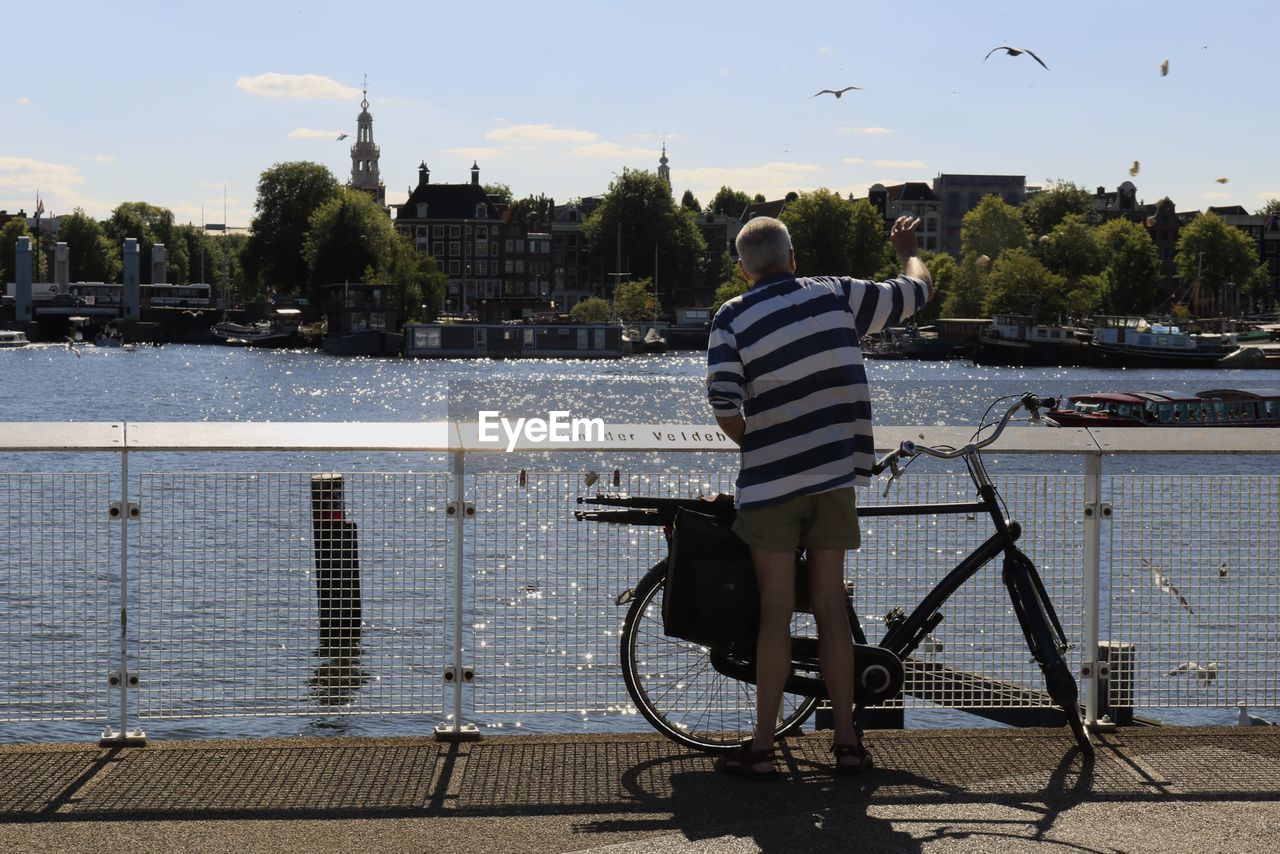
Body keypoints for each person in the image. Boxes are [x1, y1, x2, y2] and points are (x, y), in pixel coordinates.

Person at [705, 214, 932, 780]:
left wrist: (761, 449)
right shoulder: (836, 295)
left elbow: (725, 405)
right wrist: (909, 250)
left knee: (777, 611)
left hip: (771, 484)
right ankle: (848, 743)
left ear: (743, 268)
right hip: (834, 477)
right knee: (831, 607)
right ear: (793, 258)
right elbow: (916, 291)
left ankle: (761, 746)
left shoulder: (731, 318)